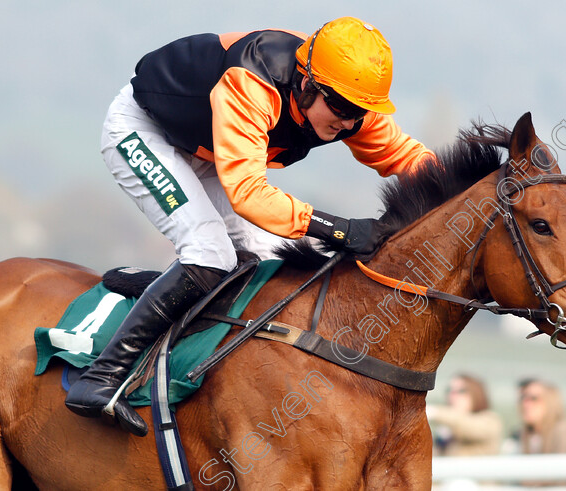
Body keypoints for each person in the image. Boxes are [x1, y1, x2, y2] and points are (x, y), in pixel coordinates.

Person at [64, 17, 434, 436]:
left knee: (269, 262)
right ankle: (100, 378)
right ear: (308, 85)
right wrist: (339, 229)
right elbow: (248, 194)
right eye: (344, 110)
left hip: (210, 151)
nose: (350, 123)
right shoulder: (252, 82)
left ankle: (176, 293)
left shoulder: (342, 98)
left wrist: (475, 186)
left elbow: (405, 157)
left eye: (361, 112)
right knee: (208, 251)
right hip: (145, 132)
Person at [426, 373, 503, 456]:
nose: (452, 395)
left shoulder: (490, 420)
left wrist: (435, 412)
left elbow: (469, 427)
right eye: (449, 390)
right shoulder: (448, 426)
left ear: (475, 392)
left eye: (461, 391)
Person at [516, 379, 566, 454]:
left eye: (533, 398)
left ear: (549, 402)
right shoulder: (526, 434)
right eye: (523, 398)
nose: (525, 404)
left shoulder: (561, 432)